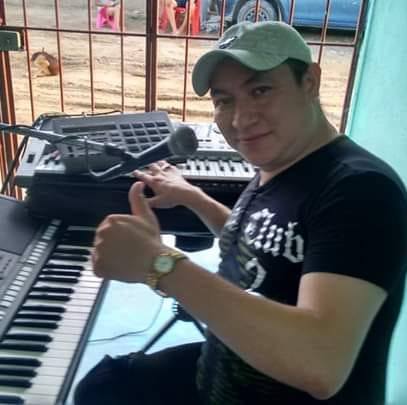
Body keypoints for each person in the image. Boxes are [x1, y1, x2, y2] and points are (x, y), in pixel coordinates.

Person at [74, 21, 407, 405]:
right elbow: (266, 247)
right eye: (224, 100)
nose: (240, 119)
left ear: (310, 82)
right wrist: (194, 197)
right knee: (104, 387)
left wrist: (160, 264)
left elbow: (319, 361)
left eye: (260, 90)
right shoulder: (282, 162)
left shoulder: (360, 190)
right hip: (225, 369)